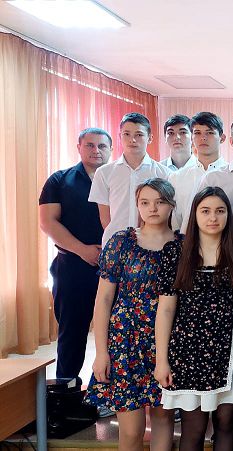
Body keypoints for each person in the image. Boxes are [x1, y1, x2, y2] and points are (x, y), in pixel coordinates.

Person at [85, 178, 180, 451]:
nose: (153, 208)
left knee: (163, 419)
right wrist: (101, 352)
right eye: (145, 202)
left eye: (160, 202)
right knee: (131, 430)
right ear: (137, 205)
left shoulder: (182, 246)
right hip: (124, 340)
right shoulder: (121, 242)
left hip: (166, 340)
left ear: (171, 205)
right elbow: (103, 300)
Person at [154, 187, 233, 451]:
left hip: (229, 350)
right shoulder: (176, 251)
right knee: (193, 428)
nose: (213, 218)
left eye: (220, 211)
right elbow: (166, 309)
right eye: (205, 211)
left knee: (226, 424)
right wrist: (161, 361)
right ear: (194, 215)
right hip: (187, 351)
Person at [39, 128, 112, 385]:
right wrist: (82, 250)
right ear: (79, 147)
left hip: (114, 268)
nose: (96, 151)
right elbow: (48, 222)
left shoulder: (119, 178)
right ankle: (66, 391)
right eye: (90, 145)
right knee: (72, 333)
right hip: (72, 267)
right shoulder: (60, 180)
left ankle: (102, 392)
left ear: (110, 149)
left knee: (113, 333)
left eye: (102, 146)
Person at [89, 113, 171, 246]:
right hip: (115, 244)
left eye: (139, 135)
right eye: (126, 134)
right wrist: (118, 241)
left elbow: (166, 214)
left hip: (152, 244)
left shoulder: (164, 173)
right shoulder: (104, 172)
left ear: (150, 138)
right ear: (119, 136)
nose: (132, 140)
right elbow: (105, 218)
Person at [168, 112, 228, 230]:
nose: (203, 138)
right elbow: (175, 222)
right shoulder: (177, 177)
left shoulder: (231, 175)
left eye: (209, 133)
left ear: (222, 138)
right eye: (197, 133)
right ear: (192, 137)